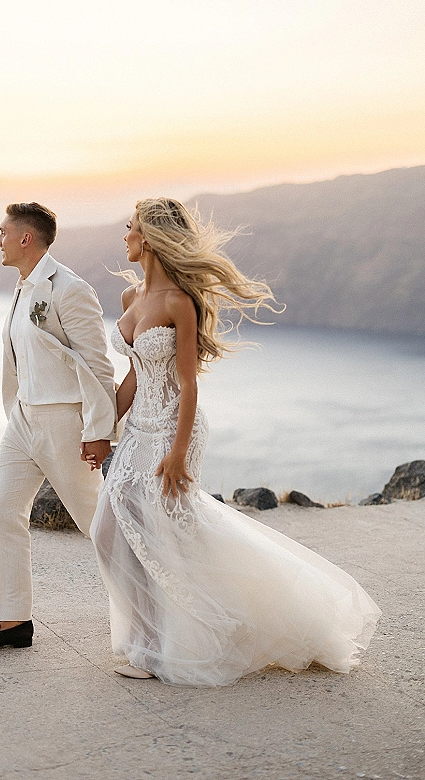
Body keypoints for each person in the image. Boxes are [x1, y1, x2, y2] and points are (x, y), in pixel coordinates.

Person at [90, 198, 381, 685]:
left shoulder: (179, 302)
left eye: (130, 227)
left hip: (174, 428)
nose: (125, 235)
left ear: (151, 237)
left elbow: (188, 385)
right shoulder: (129, 298)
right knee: (108, 531)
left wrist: (178, 454)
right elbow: (135, 376)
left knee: (170, 539)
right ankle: (151, 639)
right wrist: (102, 431)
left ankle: (159, 650)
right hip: (138, 428)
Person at [0, 202, 116, 652]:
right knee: (3, 512)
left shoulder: (70, 289)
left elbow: (98, 365)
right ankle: (13, 622)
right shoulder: (22, 287)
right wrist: (17, 412)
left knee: (98, 523)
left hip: (63, 423)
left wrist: (98, 430)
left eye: (3, 232)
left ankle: (152, 609)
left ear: (25, 238)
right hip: (23, 420)